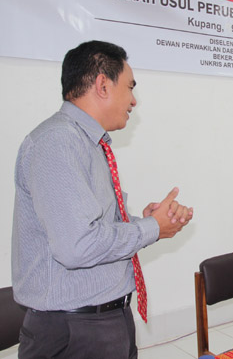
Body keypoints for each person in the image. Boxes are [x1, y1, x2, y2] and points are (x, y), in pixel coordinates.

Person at [12, 41, 193, 359]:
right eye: (130, 87)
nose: (134, 100)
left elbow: (97, 227)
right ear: (103, 85)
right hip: (75, 330)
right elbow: (78, 246)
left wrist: (150, 222)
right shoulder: (58, 142)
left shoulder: (89, 143)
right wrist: (151, 227)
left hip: (103, 318)